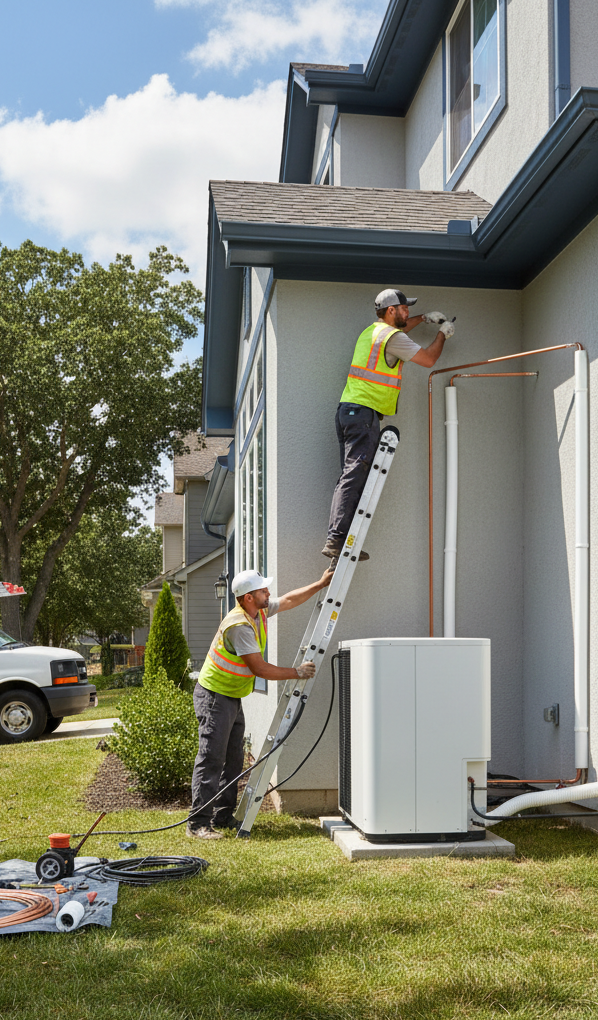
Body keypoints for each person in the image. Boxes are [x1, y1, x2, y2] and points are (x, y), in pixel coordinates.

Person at [187, 565, 334, 839]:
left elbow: (289, 600)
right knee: (212, 758)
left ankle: (222, 816)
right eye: (263, 590)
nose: (269, 592)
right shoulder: (239, 626)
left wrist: (320, 584)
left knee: (233, 758)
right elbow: (259, 669)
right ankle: (198, 824)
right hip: (215, 697)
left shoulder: (258, 612)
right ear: (248, 597)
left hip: (230, 695)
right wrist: (296, 672)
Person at [323, 288, 454, 561]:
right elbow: (428, 359)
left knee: (352, 476)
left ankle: (341, 543)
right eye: (404, 308)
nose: (407, 312)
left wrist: (424, 319)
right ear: (392, 310)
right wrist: (443, 334)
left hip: (350, 411)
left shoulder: (372, 332)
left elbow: (399, 331)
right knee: (354, 475)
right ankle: (337, 540)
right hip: (363, 413)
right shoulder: (392, 338)